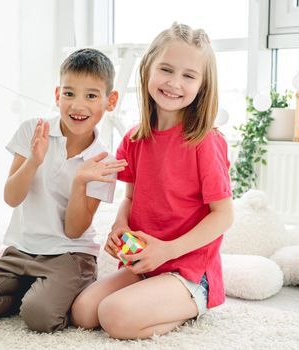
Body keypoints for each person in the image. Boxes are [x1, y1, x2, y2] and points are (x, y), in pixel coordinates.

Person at [71, 23, 234, 339]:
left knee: (113, 316)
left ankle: (192, 306)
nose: (175, 83)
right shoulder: (134, 138)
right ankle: (150, 300)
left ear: (202, 85)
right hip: (145, 265)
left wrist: (168, 251)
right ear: (147, 70)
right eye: (166, 70)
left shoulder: (204, 141)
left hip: (188, 271)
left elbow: (224, 215)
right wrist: (119, 227)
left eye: (188, 76)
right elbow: (130, 198)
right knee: (83, 312)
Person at [0, 48, 127, 333]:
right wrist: (34, 160)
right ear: (58, 95)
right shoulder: (33, 130)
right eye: (69, 94)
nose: (78, 105)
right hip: (21, 251)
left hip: (69, 255)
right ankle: (34, 293)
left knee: (41, 318)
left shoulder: (103, 162)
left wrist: (81, 181)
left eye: (91, 96)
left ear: (111, 101)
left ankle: (51, 294)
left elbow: (74, 230)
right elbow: (11, 197)